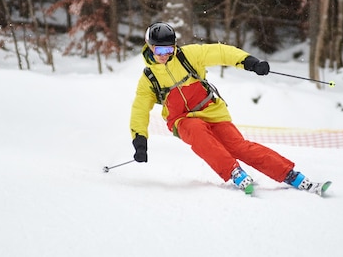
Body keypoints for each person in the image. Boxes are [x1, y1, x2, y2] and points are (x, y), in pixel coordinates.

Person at [130, 21, 329, 195]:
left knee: (238, 146)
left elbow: (221, 52)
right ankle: (233, 171)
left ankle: (290, 174)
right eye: (159, 51)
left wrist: (249, 62)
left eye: (168, 50)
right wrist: (139, 140)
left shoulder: (188, 56)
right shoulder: (149, 78)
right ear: (150, 47)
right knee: (196, 130)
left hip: (210, 111)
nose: (164, 55)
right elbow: (140, 109)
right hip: (181, 119)